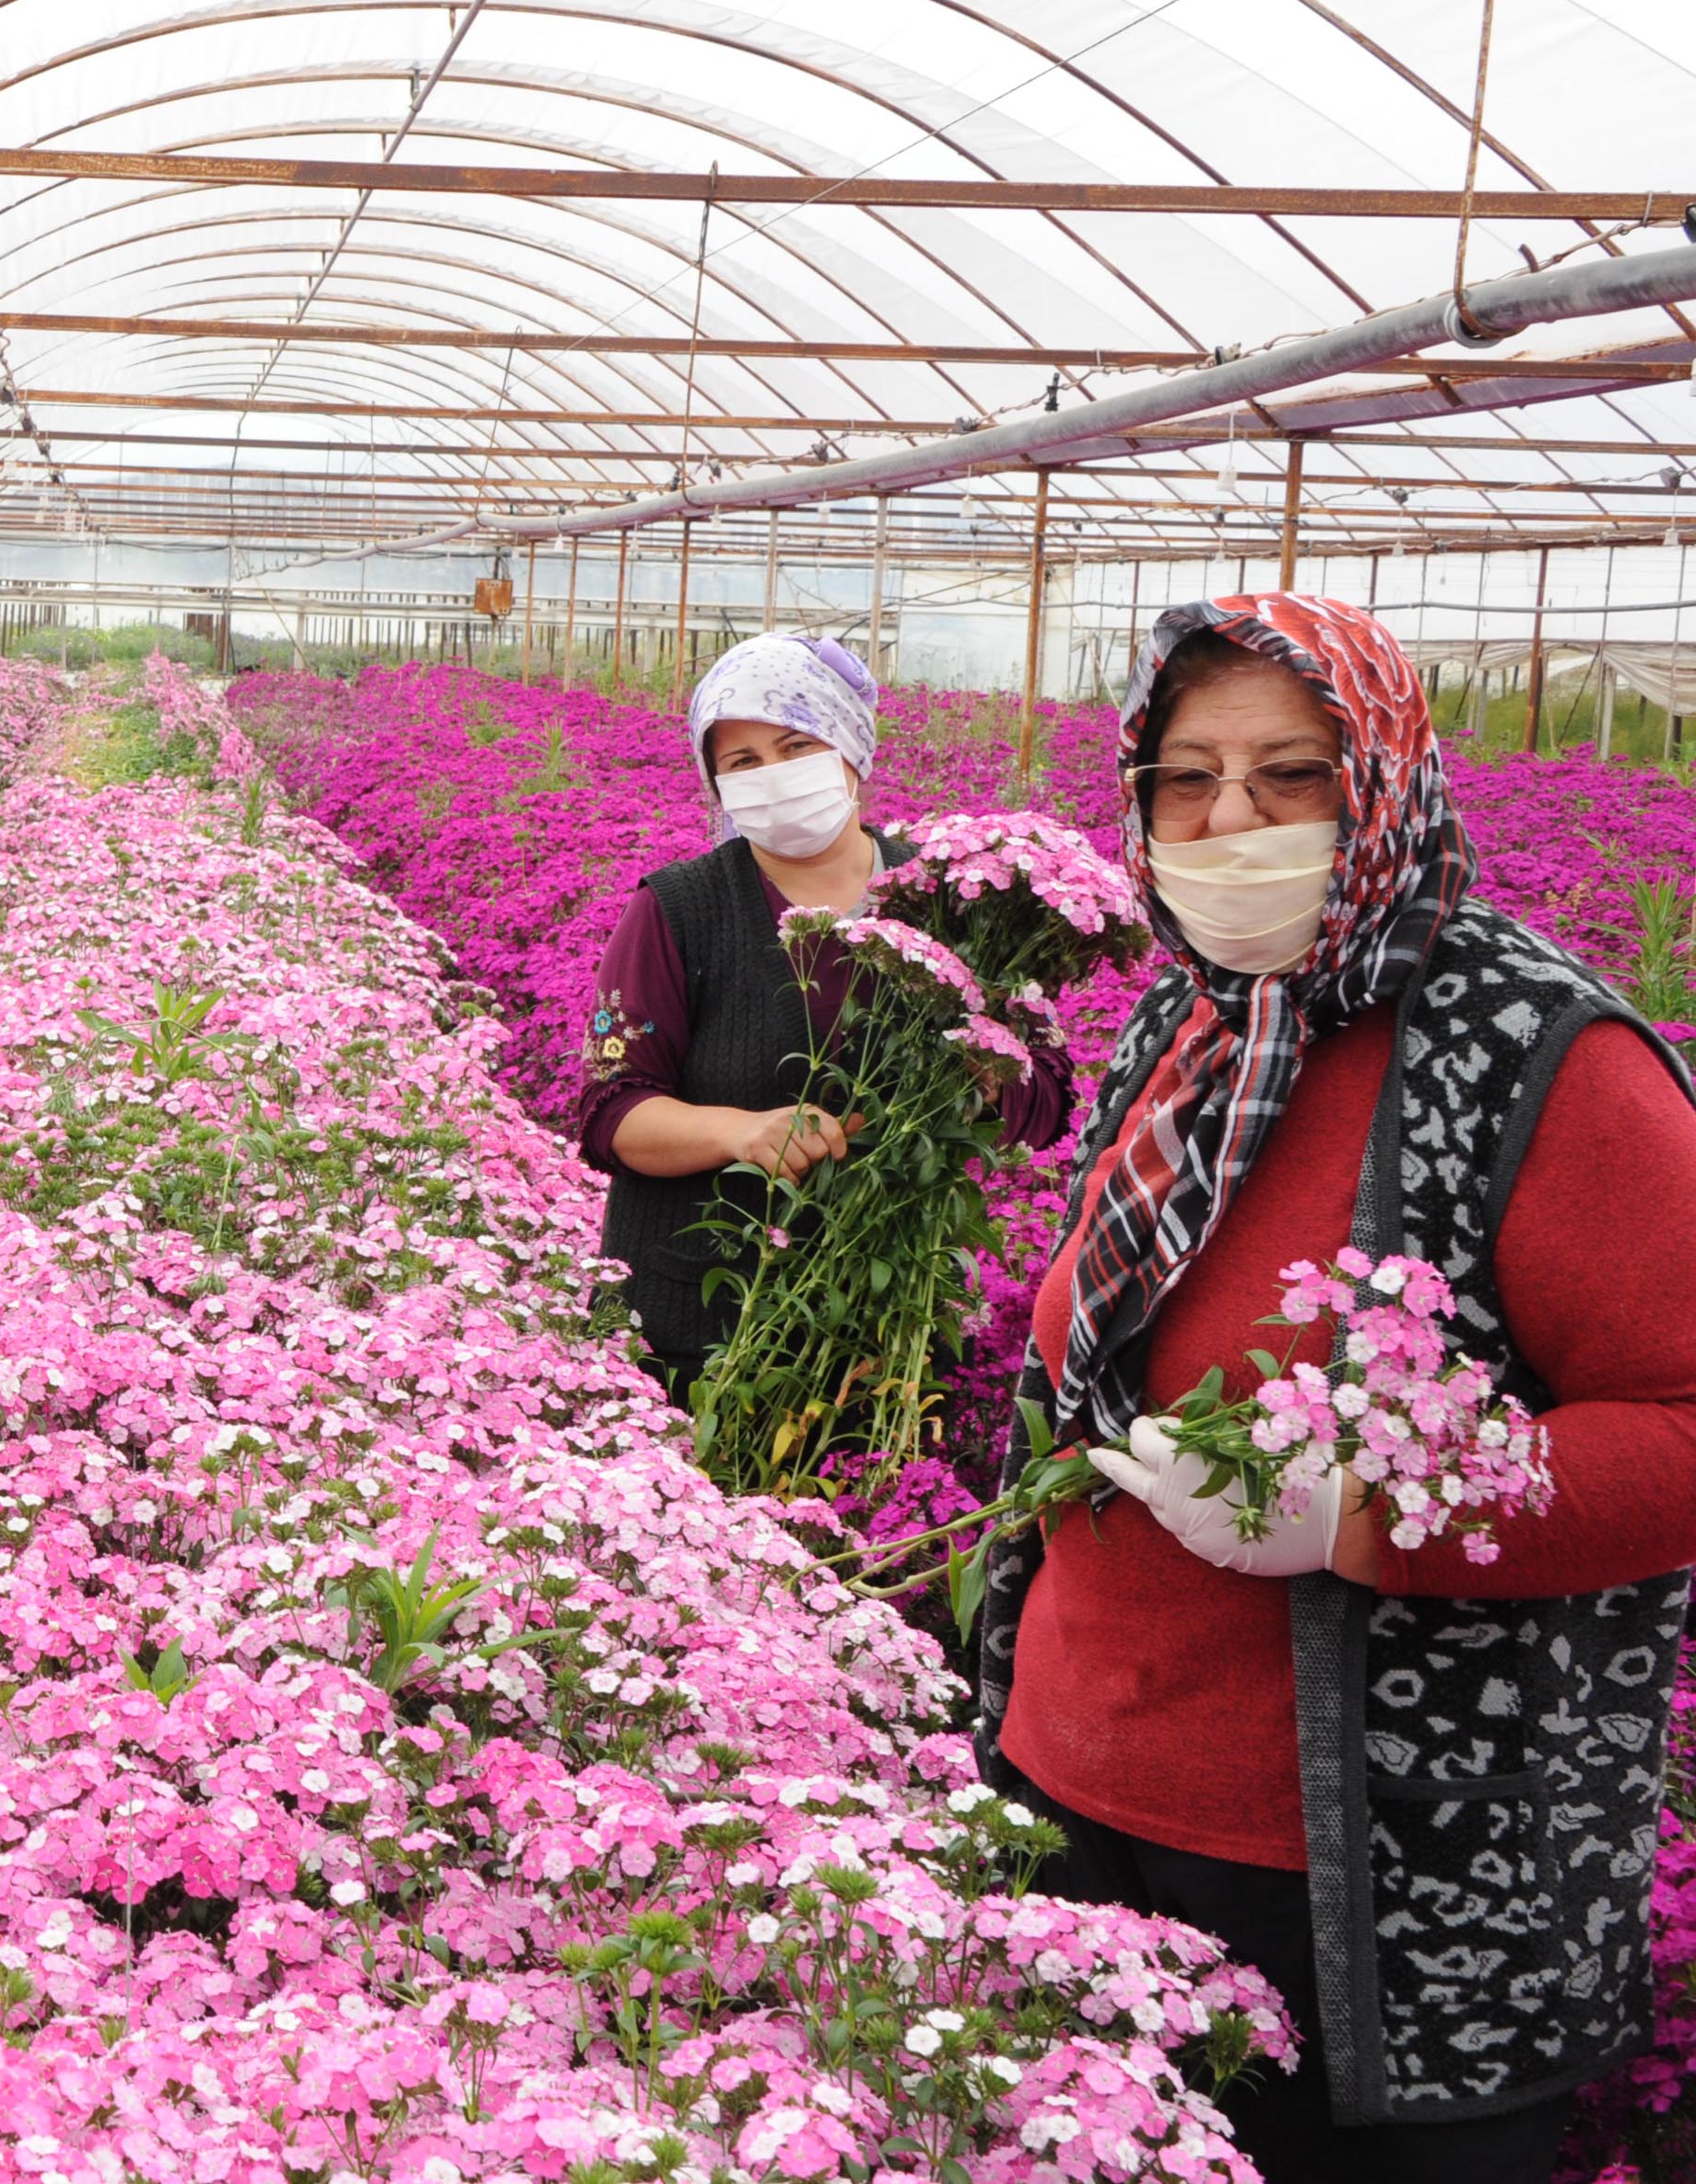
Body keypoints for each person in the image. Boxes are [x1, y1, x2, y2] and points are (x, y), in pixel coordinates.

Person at [972, 593, 1696, 2181]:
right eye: (1183, 777)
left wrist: (1371, 1517)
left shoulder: (1532, 1055)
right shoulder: (1189, 1014)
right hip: (1075, 1791)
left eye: (1288, 772)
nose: (1226, 818)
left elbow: (1682, 1429)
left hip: (1362, 1890)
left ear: (1383, 778)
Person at [577, 632, 1072, 1394]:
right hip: (695, 1340)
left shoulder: (962, 899)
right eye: (741, 762)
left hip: (884, 1334)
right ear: (715, 785)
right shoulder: (676, 909)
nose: (772, 776)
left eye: (795, 745)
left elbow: (1045, 1103)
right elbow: (613, 1110)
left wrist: (981, 1073)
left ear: (851, 750)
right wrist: (742, 1133)